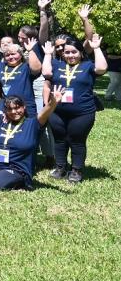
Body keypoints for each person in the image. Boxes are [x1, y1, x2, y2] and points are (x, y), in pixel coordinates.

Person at [42, 35, 107, 183]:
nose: (70, 55)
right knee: (59, 140)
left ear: (80, 53)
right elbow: (46, 73)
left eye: (74, 52)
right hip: (57, 111)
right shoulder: (57, 64)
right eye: (67, 52)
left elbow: (102, 68)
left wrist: (96, 48)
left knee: (77, 141)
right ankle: (60, 168)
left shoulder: (88, 65)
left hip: (82, 113)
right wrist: (47, 54)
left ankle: (76, 170)